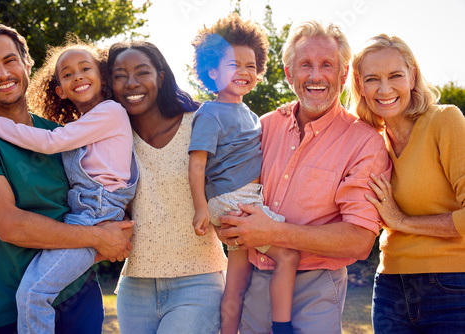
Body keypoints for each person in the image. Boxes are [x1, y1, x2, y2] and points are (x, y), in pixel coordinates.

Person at [217, 20, 392, 333]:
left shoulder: (365, 143)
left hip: (317, 285)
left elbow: (359, 241)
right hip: (254, 280)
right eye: (305, 65)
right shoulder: (264, 127)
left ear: (343, 73)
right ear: (288, 74)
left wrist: (272, 233)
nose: (315, 76)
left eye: (327, 65)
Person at [0, 23, 133, 334]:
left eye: (10, 60)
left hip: (78, 294)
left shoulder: (57, 134)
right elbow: (9, 225)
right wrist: (100, 238)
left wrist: (113, 235)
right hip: (9, 307)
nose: (3, 73)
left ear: (27, 64)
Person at [189, 13, 300, 334]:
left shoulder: (250, 114)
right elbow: (197, 164)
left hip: (243, 200)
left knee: (237, 281)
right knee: (289, 255)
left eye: (251, 66)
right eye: (233, 65)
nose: (244, 72)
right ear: (212, 73)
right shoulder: (211, 113)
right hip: (233, 201)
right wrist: (201, 208)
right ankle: (282, 327)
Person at [108, 40, 227, 333]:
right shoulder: (111, 137)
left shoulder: (200, 123)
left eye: (142, 72)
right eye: (120, 75)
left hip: (198, 281)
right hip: (135, 286)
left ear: (161, 77)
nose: (131, 83)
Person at [349, 34, 465, 333]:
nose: (384, 89)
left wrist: (401, 221)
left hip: (452, 284)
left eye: (395, 75)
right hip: (389, 287)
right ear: (360, 86)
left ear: (412, 76)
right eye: (372, 79)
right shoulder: (369, 143)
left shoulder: (445, 120)